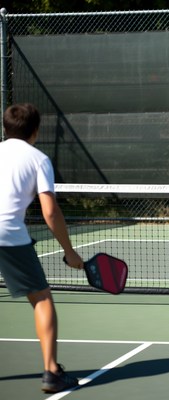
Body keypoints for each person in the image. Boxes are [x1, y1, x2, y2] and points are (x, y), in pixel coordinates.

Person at [0, 103, 84, 392]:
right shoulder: (38, 159)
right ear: (35, 131)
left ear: (5, 128)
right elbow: (50, 212)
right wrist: (69, 251)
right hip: (8, 235)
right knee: (42, 300)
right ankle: (51, 372)